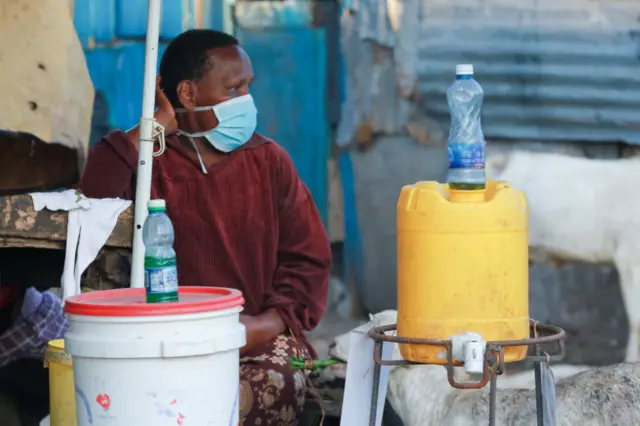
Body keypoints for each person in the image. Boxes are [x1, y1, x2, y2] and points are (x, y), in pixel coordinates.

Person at [80, 29, 331, 425]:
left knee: (271, 383)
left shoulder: (269, 160)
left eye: (248, 88)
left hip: (254, 337)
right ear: (188, 94)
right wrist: (154, 128)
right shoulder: (150, 162)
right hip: (161, 335)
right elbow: (94, 191)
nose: (246, 101)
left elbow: (308, 260)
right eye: (233, 90)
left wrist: (266, 324)